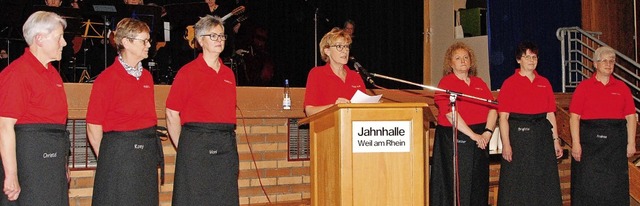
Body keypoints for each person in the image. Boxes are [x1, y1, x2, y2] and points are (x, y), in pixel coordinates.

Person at [86, 18, 162, 205]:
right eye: (144, 41)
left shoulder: (147, 77)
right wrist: (107, 161)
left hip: (145, 152)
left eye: (148, 40)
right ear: (126, 42)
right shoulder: (107, 79)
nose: (149, 45)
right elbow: (93, 125)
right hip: (119, 154)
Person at [166, 15, 239, 205]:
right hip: (196, 143)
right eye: (213, 36)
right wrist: (183, 147)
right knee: (194, 197)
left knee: (224, 197)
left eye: (222, 36)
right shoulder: (187, 72)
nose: (219, 40)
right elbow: (172, 112)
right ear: (200, 40)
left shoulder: (229, 74)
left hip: (224, 143)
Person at [0, 11, 69, 205]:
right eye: (59, 37)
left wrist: (62, 163)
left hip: (52, 157)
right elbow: (4, 126)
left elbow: (57, 127)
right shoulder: (16, 73)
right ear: (39, 39)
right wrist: (11, 175)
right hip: (29, 160)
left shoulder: (53, 74)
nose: (64, 43)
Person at [429, 42, 497, 206]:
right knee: (460, 184)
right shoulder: (446, 83)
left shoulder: (479, 82)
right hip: (456, 137)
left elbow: (494, 108)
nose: (463, 61)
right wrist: (474, 136)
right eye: (458, 58)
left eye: (466, 57)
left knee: (478, 182)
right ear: (450, 63)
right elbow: (451, 114)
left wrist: (487, 132)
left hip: (481, 137)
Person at [496, 41, 563, 205]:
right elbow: (503, 118)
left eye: (534, 57)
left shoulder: (544, 83)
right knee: (519, 181)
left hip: (542, 135)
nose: (531, 60)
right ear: (519, 60)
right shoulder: (509, 83)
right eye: (527, 57)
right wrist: (506, 144)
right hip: (519, 136)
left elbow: (550, 114)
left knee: (544, 179)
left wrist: (556, 140)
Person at [569, 46, 637, 205]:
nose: (608, 64)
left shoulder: (622, 88)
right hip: (590, 146)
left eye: (612, 61)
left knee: (615, 186)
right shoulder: (583, 87)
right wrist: (576, 143)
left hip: (615, 147)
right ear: (595, 64)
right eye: (604, 61)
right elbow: (574, 117)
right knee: (587, 186)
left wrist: (631, 142)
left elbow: (631, 117)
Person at [303, 27, 366, 116]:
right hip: (327, 127)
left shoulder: (355, 76)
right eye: (339, 46)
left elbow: (364, 108)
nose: (345, 51)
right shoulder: (317, 74)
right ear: (327, 51)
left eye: (347, 46)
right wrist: (335, 107)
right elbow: (309, 111)